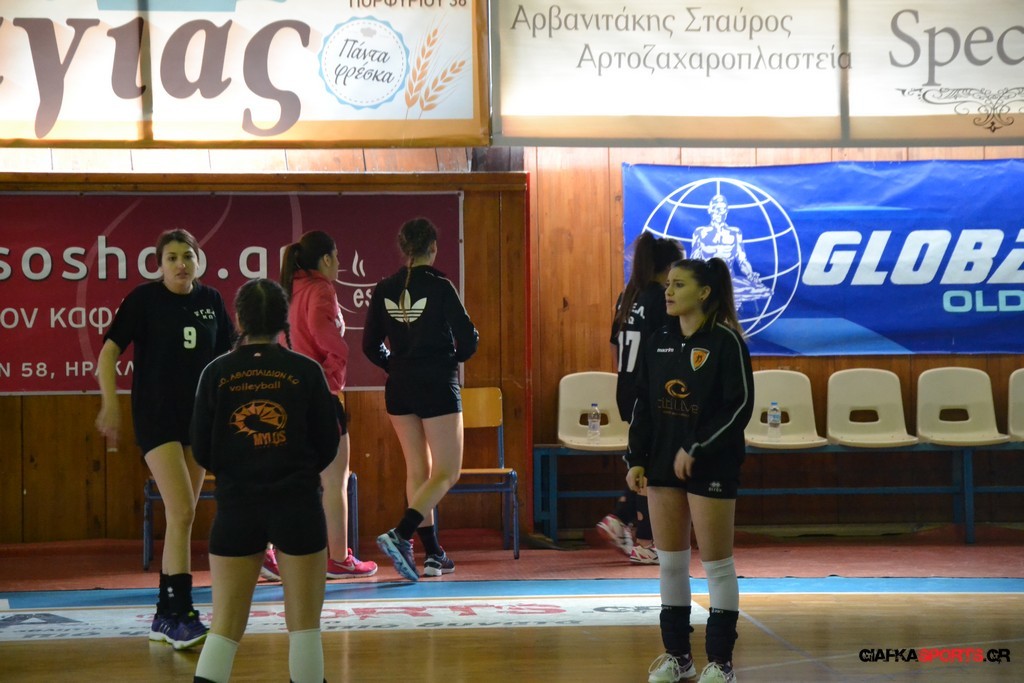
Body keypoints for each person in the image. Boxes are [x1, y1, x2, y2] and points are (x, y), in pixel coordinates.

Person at [191, 279, 339, 683]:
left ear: (239, 320)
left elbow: (201, 448)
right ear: (283, 319)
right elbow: (328, 443)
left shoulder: (216, 373)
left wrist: (239, 468)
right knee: (305, 629)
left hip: (237, 507)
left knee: (224, 629)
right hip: (298, 506)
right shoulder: (306, 371)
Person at [95, 228, 234, 650]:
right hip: (156, 418)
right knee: (181, 509)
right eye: (172, 257)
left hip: (198, 419)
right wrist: (110, 403)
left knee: (183, 517)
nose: (180, 264)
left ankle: (164, 613)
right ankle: (182, 612)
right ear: (159, 264)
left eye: (187, 256)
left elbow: (227, 358)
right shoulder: (144, 300)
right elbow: (108, 352)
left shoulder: (211, 301)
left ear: (197, 260)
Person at [625, 258, 754, 683]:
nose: (668, 292)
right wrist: (637, 457)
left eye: (679, 285)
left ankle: (721, 662)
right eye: (668, 284)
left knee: (717, 565)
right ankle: (677, 657)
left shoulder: (726, 342)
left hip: (711, 464)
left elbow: (738, 407)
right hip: (663, 465)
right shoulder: (659, 340)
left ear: (704, 292)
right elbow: (644, 404)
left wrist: (696, 447)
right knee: (671, 564)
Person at [363, 217, 479, 582]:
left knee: (419, 471)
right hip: (437, 385)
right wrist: (449, 361)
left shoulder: (384, 287)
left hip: (400, 386)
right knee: (447, 471)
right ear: (433, 248)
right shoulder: (440, 285)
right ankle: (401, 533)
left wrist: (396, 365)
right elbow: (468, 339)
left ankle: (432, 555)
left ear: (404, 250)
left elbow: (369, 346)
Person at [272, 230, 377, 580]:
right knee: (335, 481)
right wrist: (332, 374)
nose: (341, 263)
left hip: (288, 395)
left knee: (286, 478)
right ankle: (339, 558)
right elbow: (326, 337)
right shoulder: (321, 289)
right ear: (327, 259)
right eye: (337, 257)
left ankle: (268, 551)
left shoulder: (289, 288)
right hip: (319, 397)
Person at [598, 232, 683, 565]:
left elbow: (614, 345)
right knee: (652, 466)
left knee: (644, 460)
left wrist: (628, 377)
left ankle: (621, 517)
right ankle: (645, 540)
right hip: (649, 392)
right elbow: (667, 348)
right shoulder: (662, 298)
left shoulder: (629, 295)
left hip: (627, 388)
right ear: (669, 267)